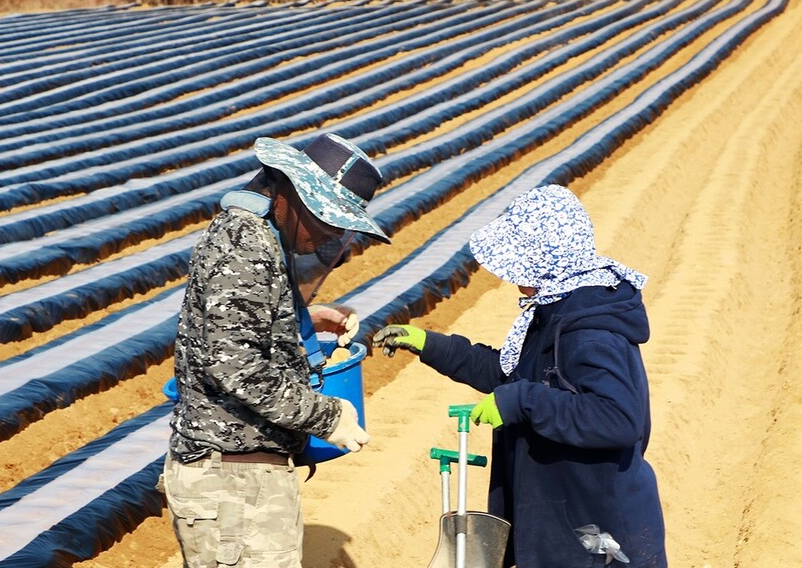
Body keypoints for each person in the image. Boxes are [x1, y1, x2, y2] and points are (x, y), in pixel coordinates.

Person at [372, 185, 666, 567]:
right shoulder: (557, 310)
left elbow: (616, 418)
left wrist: (520, 401)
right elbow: (510, 373)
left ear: (545, 260)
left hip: (597, 534)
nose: (514, 277)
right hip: (566, 518)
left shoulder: (588, 332)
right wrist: (430, 344)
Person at [162, 133, 391, 567]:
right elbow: (237, 367)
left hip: (244, 478)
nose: (330, 236)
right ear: (289, 192)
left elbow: (239, 328)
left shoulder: (258, 236)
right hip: (231, 480)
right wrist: (327, 416)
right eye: (327, 219)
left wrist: (304, 318)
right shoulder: (243, 244)